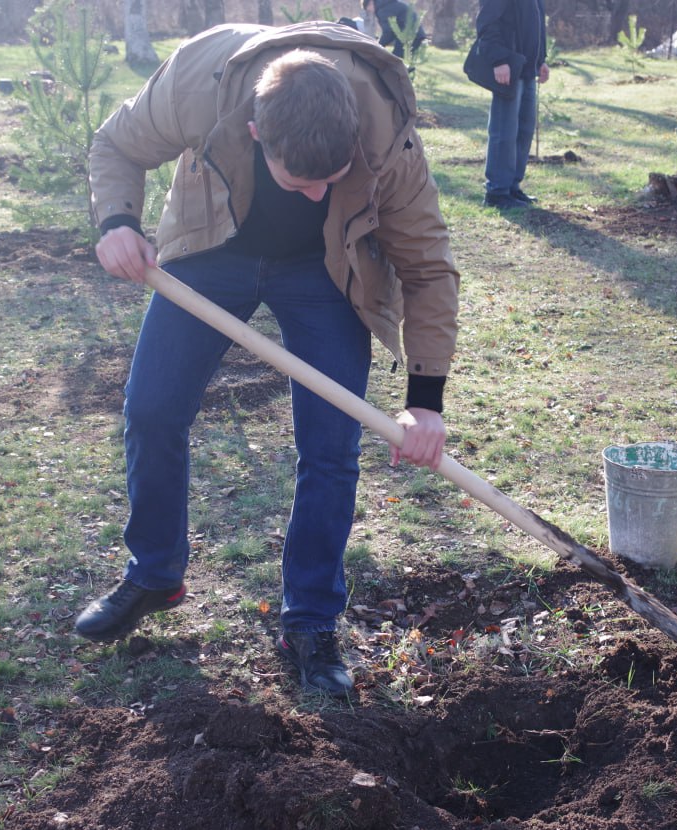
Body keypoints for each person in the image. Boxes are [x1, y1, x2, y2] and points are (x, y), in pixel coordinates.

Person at [76, 22, 460, 699]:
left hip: (325, 268)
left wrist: (425, 397)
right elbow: (115, 144)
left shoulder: (383, 131)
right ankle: (155, 571)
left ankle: (310, 619)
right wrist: (116, 222)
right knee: (152, 407)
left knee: (331, 446)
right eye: (300, 181)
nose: (316, 195)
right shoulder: (203, 77)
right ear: (257, 133)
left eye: (331, 182)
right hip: (212, 248)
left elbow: (427, 266)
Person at [473, 0, 549, 209]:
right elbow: (487, 24)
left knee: (524, 130)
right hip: (509, 65)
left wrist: (541, 59)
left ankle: (513, 187)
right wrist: (499, 60)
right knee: (503, 130)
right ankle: (497, 192)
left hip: (528, 68)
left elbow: (536, 23)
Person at [363, 0, 427, 61]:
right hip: (416, 33)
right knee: (400, 60)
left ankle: (404, 70)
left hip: (408, 35)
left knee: (395, 61)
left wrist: (378, 45)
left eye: (368, 9)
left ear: (370, 3)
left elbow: (389, 33)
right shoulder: (388, 4)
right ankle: (407, 69)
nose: (371, 12)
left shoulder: (383, 10)